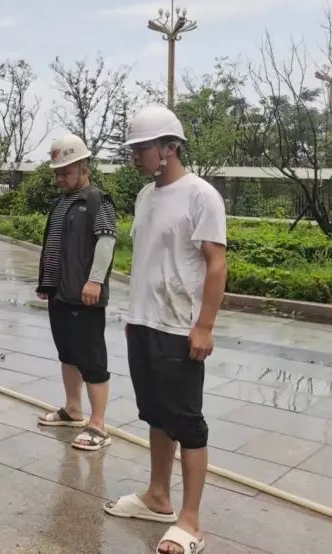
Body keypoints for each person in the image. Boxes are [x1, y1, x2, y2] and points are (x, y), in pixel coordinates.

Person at [104, 104, 227, 554]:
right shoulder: (145, 196)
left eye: (142, 148)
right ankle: (158, 497)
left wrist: (205, 326)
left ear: (169, 147)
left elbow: (216, 264)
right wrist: (134, 318)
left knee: (187, 422)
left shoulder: (201, 196)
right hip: (143, 323)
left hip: (179, 327)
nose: (135, 156)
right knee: (156, 414)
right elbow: (147, 259)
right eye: (133, 149)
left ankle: (190, 521)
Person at [35, 134, 118, 452]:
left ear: (84, 166)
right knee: (67, 353)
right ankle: (72, 410)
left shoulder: (98, 201)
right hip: (60, 293)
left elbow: (106, 242)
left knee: (91, 358)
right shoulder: (60, 203)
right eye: (57, 173)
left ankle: (98, 424)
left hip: (85, 295)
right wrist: (47, 283)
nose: (60, 178)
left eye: (66, 172)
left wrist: (95, 281)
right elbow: (54, 246)